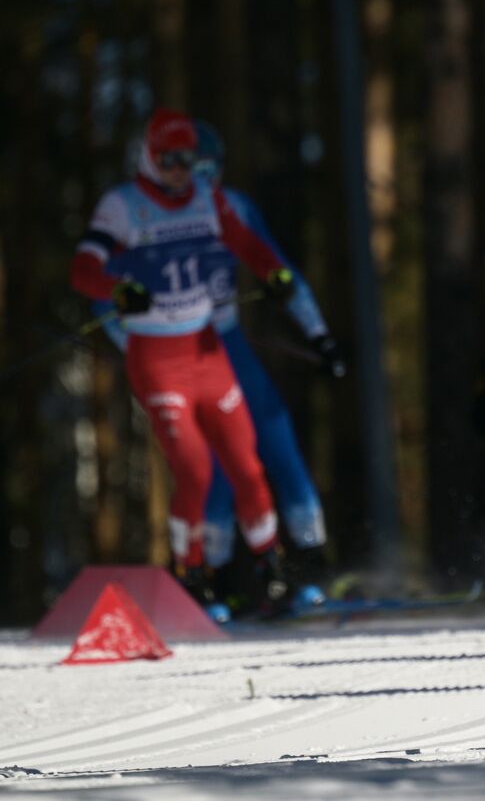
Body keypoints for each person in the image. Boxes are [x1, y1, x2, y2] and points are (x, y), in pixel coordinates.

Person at [94, 121, 346, 613]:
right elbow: (106, 294)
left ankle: (308, 573)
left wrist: (320, 336)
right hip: (176, 354)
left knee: (274, 443)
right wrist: (139, 348)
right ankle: (215, 584)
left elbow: (280, 270)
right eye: (191, 168)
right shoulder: (139, 213)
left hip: (224, 342)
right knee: (206, 473)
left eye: (210, 170)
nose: (199, 180)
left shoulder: (229, 207)